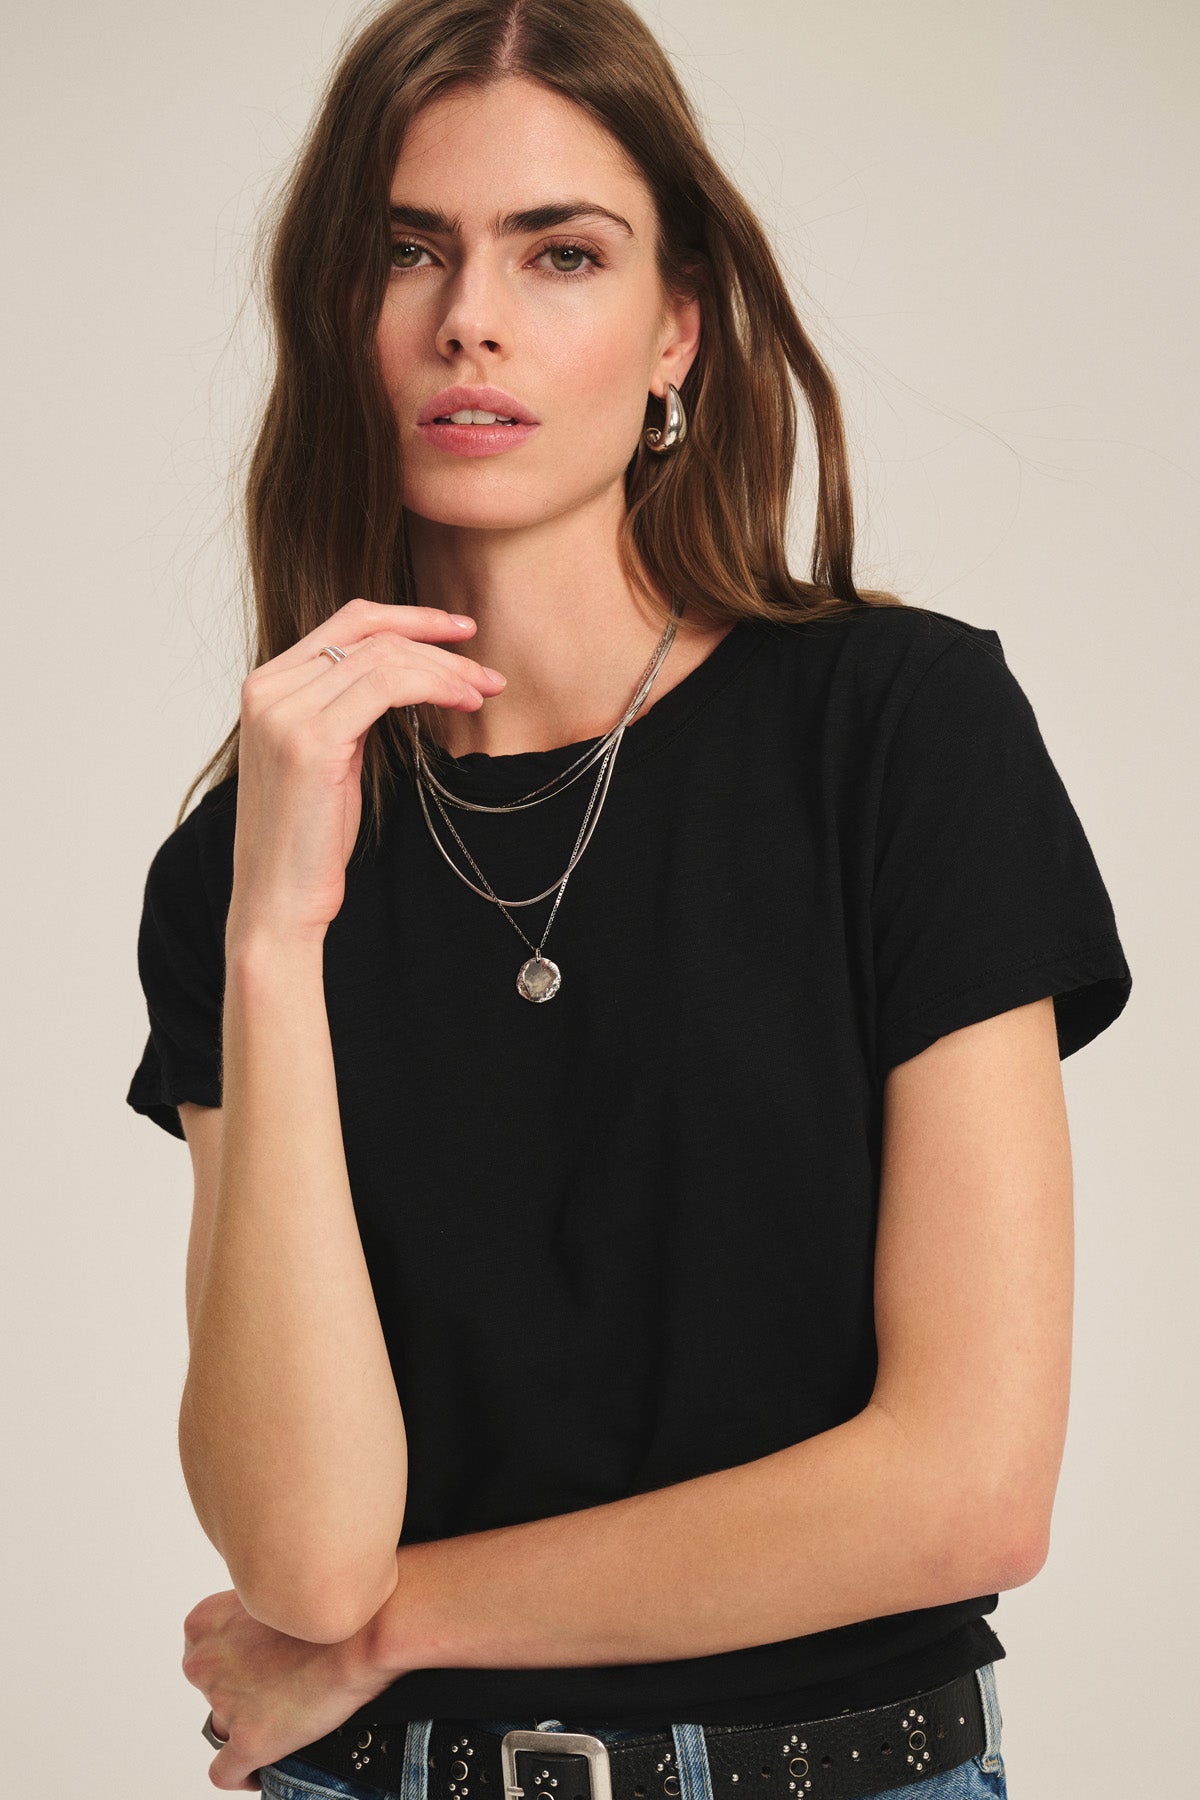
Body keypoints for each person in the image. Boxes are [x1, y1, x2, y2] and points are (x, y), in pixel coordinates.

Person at [125, 2, 1133, 1796]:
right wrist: (273, 938)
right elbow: (305, 1557)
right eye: (408, 250)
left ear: (678, 332)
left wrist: (393, 1630)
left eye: (560, 252)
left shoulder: (898, 732)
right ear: (338, 316)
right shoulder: (239, 870)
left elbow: (967, 1488)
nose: (471, 317)